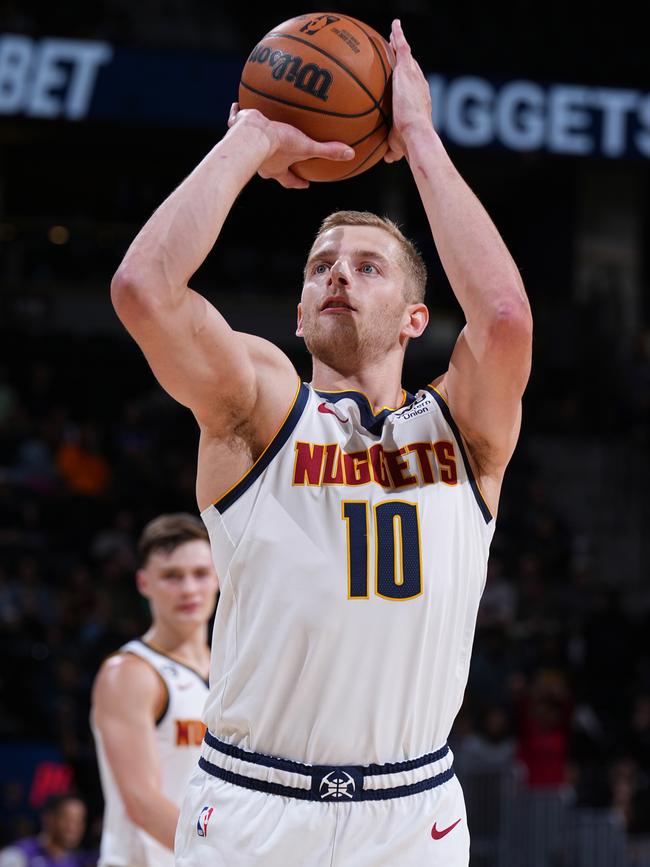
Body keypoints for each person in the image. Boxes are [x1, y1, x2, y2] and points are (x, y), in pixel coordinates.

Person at [109, 18, 532, 867]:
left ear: (418, 318)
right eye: (320, 264)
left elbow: (504, 316)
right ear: (299, 313)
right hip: (253, 807)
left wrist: (416, 134)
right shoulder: (260, 410)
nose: (337, 271)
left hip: (411, 815)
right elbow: (144, 290)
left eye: (368, 265)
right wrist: (253, 137)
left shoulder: (465, 429)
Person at [91, 514, 219, 867]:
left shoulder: (234, 670)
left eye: (200, 573)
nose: (189, 589)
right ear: (144, 583)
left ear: (220, 576)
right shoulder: (130, 672)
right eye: (172, 577)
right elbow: (142, 803)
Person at [0, 795, 87, 867]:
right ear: (49, 818)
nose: (73, 827)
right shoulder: (19, 855)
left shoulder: (79, 862)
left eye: (79, 821)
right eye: (67, 819)